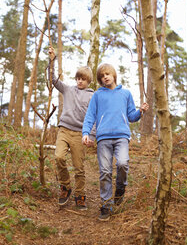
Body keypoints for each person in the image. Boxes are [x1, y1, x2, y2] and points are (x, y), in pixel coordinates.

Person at [82, 63, 149, 221]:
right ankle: (106, 204)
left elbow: (131, 116)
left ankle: (120, 189)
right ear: (100, 80)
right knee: (105, 171)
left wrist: (140, 111)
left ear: (113, 75)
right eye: (102, 76)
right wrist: (86, 133)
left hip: (122, 137)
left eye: (107, 74)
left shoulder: (125, 94)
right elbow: (90, 116)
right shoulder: (98, 95)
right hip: (103, 137)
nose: (105, 77)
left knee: (123, 163)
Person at [48, 47, 95, 210]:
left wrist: (91, 135)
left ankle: (80, 196)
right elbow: (52, 80)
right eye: (78, 78)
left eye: (83, 79)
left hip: (80, 134)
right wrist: (52, 60)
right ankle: (65, 186)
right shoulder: (68, 90)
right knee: (59, 157)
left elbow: (94, 117)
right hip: (64, 130)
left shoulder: (92, 96)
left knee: (79, 167)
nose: (80, 81)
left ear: (88, 81)